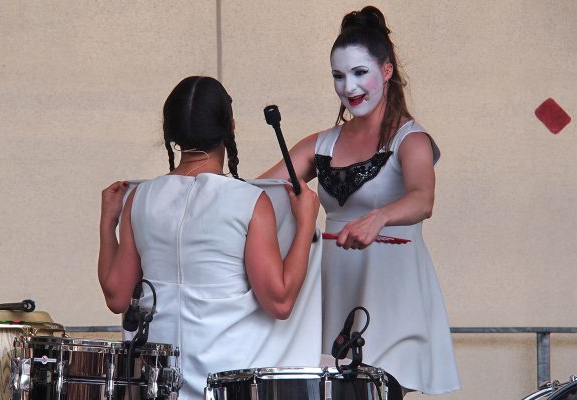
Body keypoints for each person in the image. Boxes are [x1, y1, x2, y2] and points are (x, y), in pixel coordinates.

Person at [260, 6, 460, 397]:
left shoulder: (410, 138)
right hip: (335, 289)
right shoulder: (323, 142)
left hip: (391, 293)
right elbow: (260, 194)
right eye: (338, 76)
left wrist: (379, 217)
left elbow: (423, 198)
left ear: (386, 71)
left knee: (381, 387)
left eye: (359, 73)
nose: (348, 86)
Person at [98, 76, 320, 399]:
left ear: (170, 132)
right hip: (223, 384)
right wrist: (305, 225)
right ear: (231, 126)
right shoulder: (250, 202)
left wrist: (108, 222)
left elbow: (117, 297)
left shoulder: (140, 199)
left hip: (156, 385)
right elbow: (280, 300)